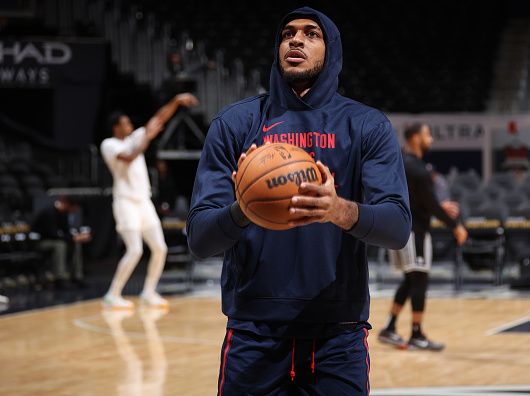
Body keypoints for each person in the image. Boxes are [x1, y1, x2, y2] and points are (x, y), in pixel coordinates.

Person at [186, 7, 411, 395]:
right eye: (288, 33)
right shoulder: (235, 124)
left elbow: (397, 227)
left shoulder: (366, 125)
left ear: (331, 50)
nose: (296, 40)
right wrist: (245, 208)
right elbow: (200, 240)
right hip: (254, 330)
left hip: (337, 333)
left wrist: (336, 208)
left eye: (311, 34)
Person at [100, 93, 199, 309]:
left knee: (160, 248)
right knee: (135, 249)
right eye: (125, 122)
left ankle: (148, 292)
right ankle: (113, 293)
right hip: (125, 202)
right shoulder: (108, 144)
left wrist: (176, 101)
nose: (130, 125)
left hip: (143, 201)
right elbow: (129, 157)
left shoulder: (133, 137)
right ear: (116, 127)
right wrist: (146, 138)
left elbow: (159, 119)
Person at [378, 123, 467, 351]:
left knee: (410, 279)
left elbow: (421, 200)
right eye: (428, 134)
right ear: (415, 138)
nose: (431, 139)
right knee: (419, 280)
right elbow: (428, 203)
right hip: (414, 231)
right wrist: (455, 225)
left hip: (400, 228)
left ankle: (389, 327)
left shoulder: (403, 163)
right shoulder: (417, 168)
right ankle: (416, 334)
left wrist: (438, 206)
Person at [31, 196, 92, 288]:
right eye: (73, 208)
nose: (74, 211)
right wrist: (73, 238)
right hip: (41, 242)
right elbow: (52, 234)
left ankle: (77, 276)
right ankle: (60, 278)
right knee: (61, 245)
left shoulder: (64, 213)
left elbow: (66, 231)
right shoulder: (48, 213)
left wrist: (76, 237)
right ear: (67, 205)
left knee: (75, 244)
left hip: (56, 240)